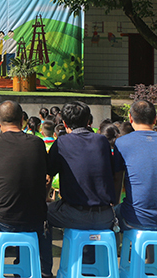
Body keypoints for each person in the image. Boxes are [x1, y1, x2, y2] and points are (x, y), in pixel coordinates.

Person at [0, 100, 51, 278]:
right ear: (22, 120)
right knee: (45, 218)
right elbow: (45, 177)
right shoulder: (37, 143)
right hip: (35, 217)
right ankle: (44, 270)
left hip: (2, 217)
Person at [47, 101, 116, 236]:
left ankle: (45, 257)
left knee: (40, 213)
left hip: (74, 214)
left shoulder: (61, 143)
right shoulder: (102, 141)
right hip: (105, 215)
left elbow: (47, 176)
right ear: (88, 121)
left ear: (64, 123)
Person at [112, 100, 157, 231]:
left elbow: (117, 179)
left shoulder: (122, 143)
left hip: (135, 218)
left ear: (130, 118)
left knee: (110, 216)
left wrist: (114, 204)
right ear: (155, 119)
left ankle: (118, 251)